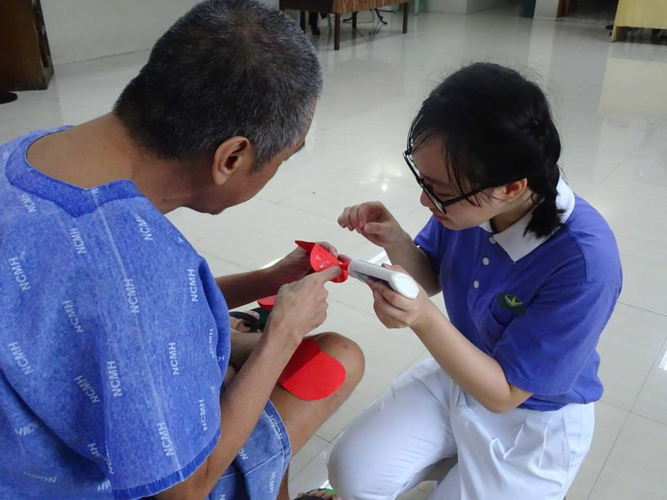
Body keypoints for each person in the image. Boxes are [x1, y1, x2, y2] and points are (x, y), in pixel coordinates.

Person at [0, 1, 364, 499]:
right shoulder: (147, 273)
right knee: (339, 356)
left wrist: (266, 280)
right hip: (108, 485)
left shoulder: (26, 154)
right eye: (283, 157)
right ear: (232, 157)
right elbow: (184, 491)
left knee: (237, 355)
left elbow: (107, 312)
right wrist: (284, 331)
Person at [330, 63, 622, 500]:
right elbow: (429, 276)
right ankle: (454, 461)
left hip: (532, 416)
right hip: (461, 373)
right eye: (423, 181)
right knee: (350, 472)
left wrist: (423, 319)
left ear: (511, 187)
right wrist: (393, 239)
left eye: (440, 190)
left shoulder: (583, 261)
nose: (425, 200)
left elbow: (506, 393)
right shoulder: (470, 206)